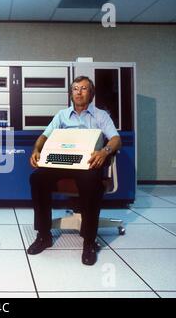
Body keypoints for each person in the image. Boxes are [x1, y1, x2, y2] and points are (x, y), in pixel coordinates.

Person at [28, 76, 122, 266]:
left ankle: (89, 242)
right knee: (37, 178)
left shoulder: (101, 115)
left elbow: (115, 139)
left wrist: (104, 152)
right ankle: (44, 235)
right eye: (75, 88)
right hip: (62, 162)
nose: (79, 92)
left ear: (91, 93)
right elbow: (43, 137)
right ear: (70, 93)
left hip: (88, 163)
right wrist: (36, 150)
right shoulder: (62, 115)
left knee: (90, 182)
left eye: (84, 88)